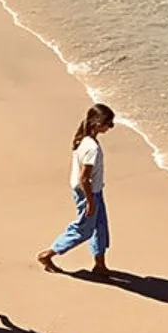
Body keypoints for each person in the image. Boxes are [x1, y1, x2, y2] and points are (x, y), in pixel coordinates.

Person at [38, 103, 116, 276]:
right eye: (108, 124)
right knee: (83, 230)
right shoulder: (91, 148)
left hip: (94, 191)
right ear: (97, 124)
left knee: (100, 227)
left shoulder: (85, 141)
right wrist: (90, 202)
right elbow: (84, 178)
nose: (110, 127)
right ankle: (48, 254)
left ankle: (100, 264)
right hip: (88, 192)